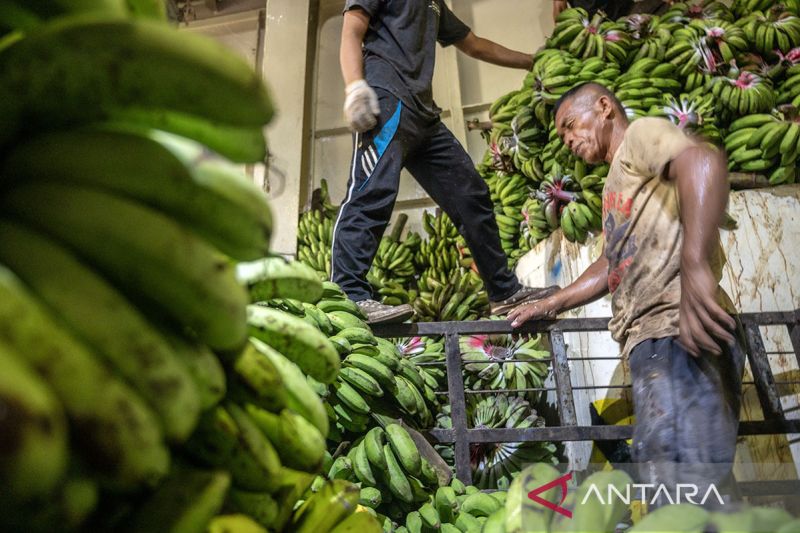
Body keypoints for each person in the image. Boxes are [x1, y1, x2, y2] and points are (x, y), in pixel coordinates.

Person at [508, 82, 745, 507]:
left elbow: (702, 161)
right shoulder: (616, 182)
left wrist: (693, 264)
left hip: (676, 328)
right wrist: (551, 302)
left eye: (571, 125)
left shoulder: (640, 137)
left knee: (681, 485)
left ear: (603, 108)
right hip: (654, 339)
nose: (569, 141)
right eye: (562, 137)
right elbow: (610, 263)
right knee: (684, 481)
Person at [334, 0, 558, 324]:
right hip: (387, 101)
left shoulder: (434, 3)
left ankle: (503, 290)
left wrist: (530, 62)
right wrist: (355, 87)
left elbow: (475, 45)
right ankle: (349, 294)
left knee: (472, 194)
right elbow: (351, 30)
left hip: (424, 116)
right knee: (372, 194)